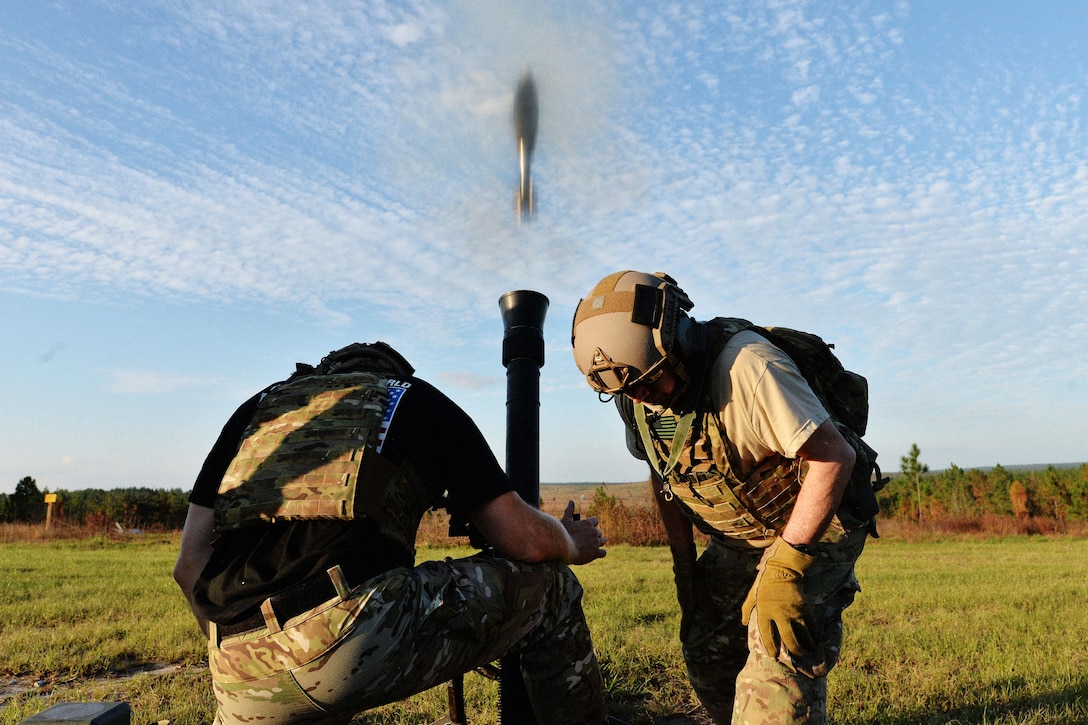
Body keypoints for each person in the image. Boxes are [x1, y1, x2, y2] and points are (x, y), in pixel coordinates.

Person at [174, 341, 611, 725]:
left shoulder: (258, 411)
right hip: (346, 635)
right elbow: (524, 539)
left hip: (235, 667)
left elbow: (189, 564)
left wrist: (267, 653)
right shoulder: (415, 400)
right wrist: (572, 541)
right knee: (554, 589)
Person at [571, 271, 878, 725]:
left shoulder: (749, 368)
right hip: (741, 535)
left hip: (818, 525)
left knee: (779, 661)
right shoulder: (632, 389)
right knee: (707, 650)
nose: (643, 397)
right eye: (627, 390)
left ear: (678, 341)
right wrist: (684, 565)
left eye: (650, 381)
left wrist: (787, 567)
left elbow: (833, 458)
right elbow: (664, 475)